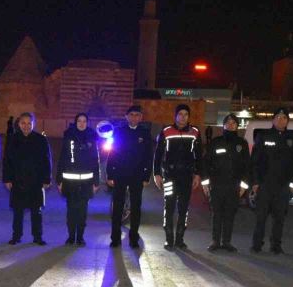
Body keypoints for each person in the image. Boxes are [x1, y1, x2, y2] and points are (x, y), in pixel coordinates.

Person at [250, 107, 293, 254]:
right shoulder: (263, 136)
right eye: (278, 117)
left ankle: (276, 245)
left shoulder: (292, 139)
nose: (281, 120)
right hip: (265, 184)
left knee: (279, 218)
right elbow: (255, 161)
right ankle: (257, 244)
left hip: (283, 186)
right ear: (273, 119)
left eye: (284, 118)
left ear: (287, 121)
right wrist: (255, 182)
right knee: (261, 217)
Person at [154, 104, 203, 250]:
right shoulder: (166, 131)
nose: (183, 117)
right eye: (180, 114)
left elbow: (199, 156)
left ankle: (180, 239)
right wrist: (157, 174)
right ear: (175, 116)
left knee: (183, 208)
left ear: (189, 117)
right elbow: (158, 155)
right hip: (169, 176)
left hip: (187, 177)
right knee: (169, 207)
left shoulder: (195, 132)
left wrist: (198, 174)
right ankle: (169, 239)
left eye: (185, 114)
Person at [106, 105, 153, 248]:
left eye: (137, 115)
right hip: (120, 174)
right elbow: (112, 154)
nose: (134, 117)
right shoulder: (119, 132)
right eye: (131, 114)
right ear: (126, 117)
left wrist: (146, 176)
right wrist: (110, 174)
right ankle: (115, 238)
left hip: (137, 176)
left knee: (136, 207)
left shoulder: (145, 133)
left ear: (141, 117)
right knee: (118, 207)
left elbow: (148, 156)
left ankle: (133, 238)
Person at [201, 113, 250, 252]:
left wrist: (243, 186)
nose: (230, 125)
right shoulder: (215, 142)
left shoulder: (242, 144)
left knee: (230, 214)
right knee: (216, 214)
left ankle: (226, 242)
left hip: (234, 186)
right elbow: (206, 163)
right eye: (228, 123)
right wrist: (205, 183)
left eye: (233, 123)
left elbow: (247, 167)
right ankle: (215, 241)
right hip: (217, 185)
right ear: (223, 125)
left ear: (237, 126)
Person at [3, 112, 51, 245]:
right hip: (17, 181)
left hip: (36, 181)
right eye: (23, 123)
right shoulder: (12, 139)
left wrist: (47, 179)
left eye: (29, 123)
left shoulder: (40, 140)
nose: (26, 126)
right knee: (18, 211)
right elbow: (7, 160)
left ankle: (38, 237)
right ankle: (16, 236)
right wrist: (7, 179)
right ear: (19, 124)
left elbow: (47, 161)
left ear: (33, 124)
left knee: (36, 211)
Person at [56, 113, 100, 245]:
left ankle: (80, 237)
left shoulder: (92, 138)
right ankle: (71, 237)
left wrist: (96, 181)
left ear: (87, 123)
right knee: (71, 212)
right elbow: (62, 159)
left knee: (82, 212)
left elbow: (95, 161)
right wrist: (59, 180)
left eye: (84, 121)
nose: (81, 123)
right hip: (70, 182)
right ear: (75, 122)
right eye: (79, 121)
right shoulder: (68, 136)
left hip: (86, 183)